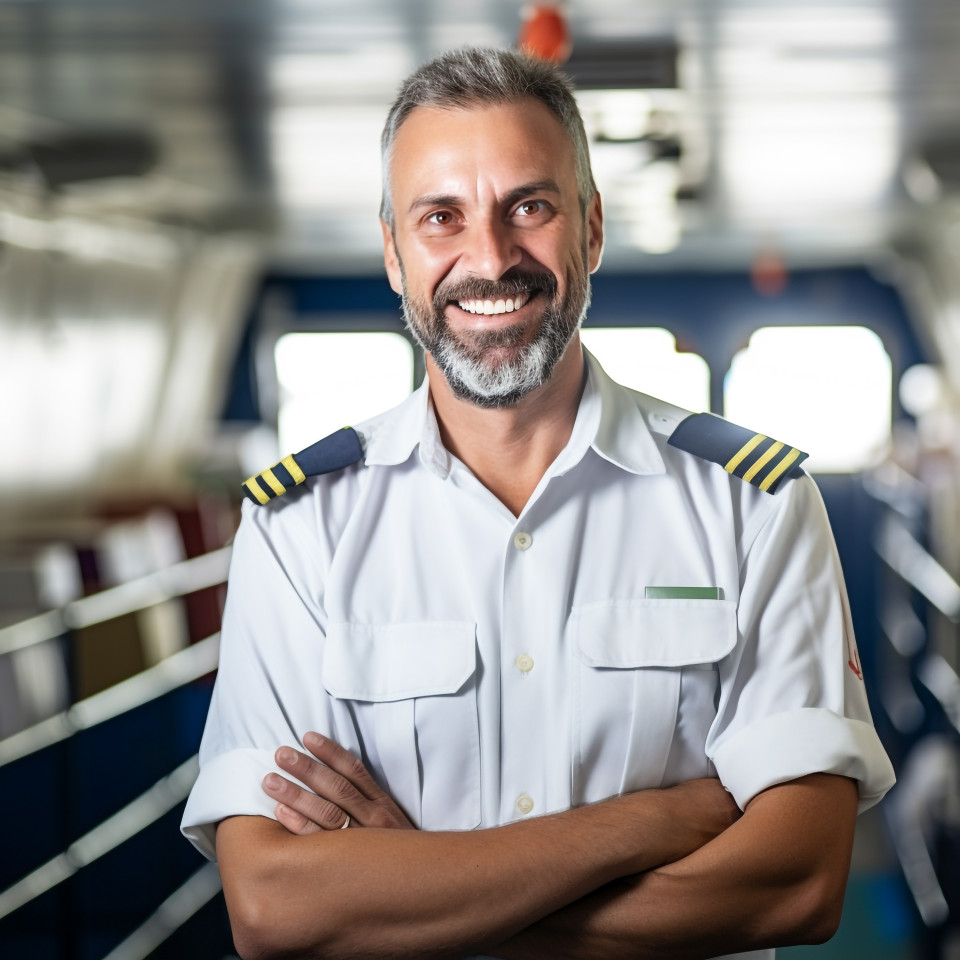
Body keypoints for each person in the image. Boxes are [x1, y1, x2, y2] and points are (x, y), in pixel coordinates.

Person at [181, 46, 895, 960]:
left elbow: (795, 884)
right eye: (442, 216)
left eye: (530, 207)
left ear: (590, 230)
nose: (490, 258)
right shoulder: (297, 530)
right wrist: (650, 824)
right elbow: (275, 907)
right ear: (394, 253)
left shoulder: (753, 507)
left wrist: (417, 887)